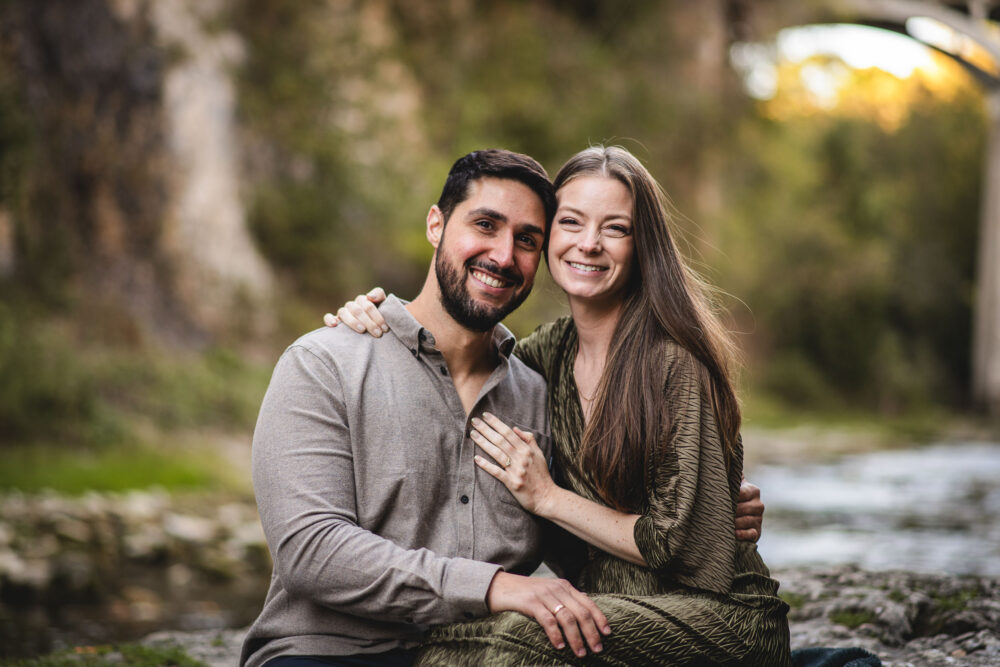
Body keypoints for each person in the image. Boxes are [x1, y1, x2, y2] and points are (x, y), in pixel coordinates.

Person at [327, 145, 791, 665]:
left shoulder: (672, 361)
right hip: (611, 611)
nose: (588, 244)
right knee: (455, 638)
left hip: (717, 617)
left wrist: (547, 497)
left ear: (642, 245)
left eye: (616, 228)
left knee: (512, 639)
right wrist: (377, 316)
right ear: (547, 239)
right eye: (571, 222)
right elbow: (462, 359)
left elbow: (687, 547)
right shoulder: (543, 358)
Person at [241, 149, 613, 667]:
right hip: (328, 653)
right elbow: (312, 551)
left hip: (484, 654)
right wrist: (492, 587)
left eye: (527, 240)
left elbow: (582, 553)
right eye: (485, 225)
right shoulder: (324, 363)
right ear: (436, 225)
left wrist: (688, 522)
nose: (504, 255)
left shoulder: (538, 394)